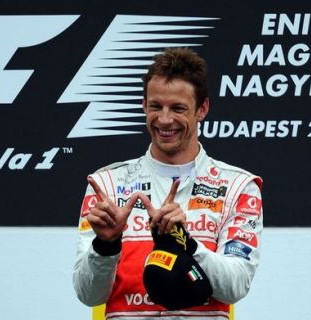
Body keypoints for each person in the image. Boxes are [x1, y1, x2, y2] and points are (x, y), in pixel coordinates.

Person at [73, 47, 263, 320]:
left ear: (203, 109)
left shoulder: (238, 187)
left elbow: (236, 285)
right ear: (143, 105)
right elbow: (88, 294)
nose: (164, 119)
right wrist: (106, 245)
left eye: (178, 108)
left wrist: (187, 244)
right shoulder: (106, 184)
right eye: (155, 106)